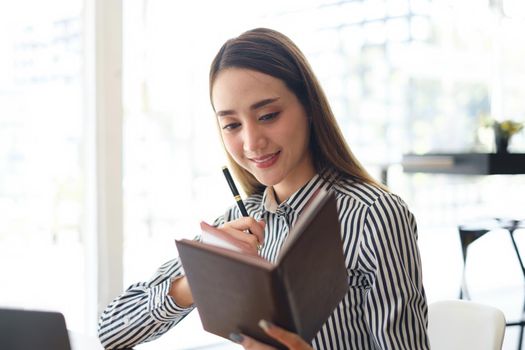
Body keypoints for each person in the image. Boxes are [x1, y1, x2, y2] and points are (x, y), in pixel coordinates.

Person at [98, 28, 429, 350]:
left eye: (268, 115)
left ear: (310, 108)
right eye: (231, 125)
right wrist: (198, 282)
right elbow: (111, 330)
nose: (251, 142)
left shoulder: (374, 214)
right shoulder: (238, 221)